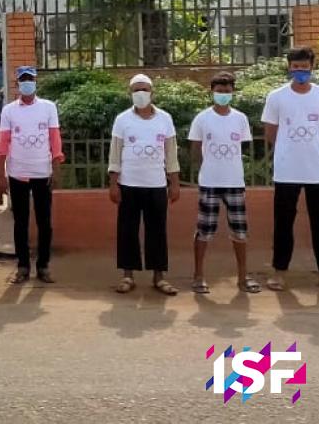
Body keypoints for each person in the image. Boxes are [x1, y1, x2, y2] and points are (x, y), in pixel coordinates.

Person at [108, 74, 181, 296]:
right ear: (130, 93)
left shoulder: (165, 119)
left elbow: (171, 153)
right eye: (136, 90)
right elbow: (115, 153)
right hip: (129, 184)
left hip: (156, 184)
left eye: (144, 89)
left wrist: (174, 183)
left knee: (157, 231)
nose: (141, 94)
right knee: (127, 230)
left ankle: (159, 276)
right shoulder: (122, 119)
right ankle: (127, 276)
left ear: (152, 92)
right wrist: (114, 183)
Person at [260, 46, 319, 292]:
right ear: (289, 67)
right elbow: (270, 133)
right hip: (287, 171)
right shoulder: (276, 97)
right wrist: (290, 149)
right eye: (295, 66)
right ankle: (279, 273)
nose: (300, 71)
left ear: (312, 66)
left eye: (304, 66)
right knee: (283, 223)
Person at [189, 72, 260, 295]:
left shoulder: (240, 118)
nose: (223, 95)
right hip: (210, 182)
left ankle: (243, 276)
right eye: (219, 91)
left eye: (227, 91)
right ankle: (199, 276)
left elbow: (243, 148)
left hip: (234, 182)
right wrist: (206, 169)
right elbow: (195, 151)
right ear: (212, 92)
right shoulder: (202, 118)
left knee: (240, 230)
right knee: (204, 230)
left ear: (233, 92)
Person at [0, 67, 64, 285]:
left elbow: (54, 139)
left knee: (45, 223)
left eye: (30, 80)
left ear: (36, 82)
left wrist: (56, 166)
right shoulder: (9, 111)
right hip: (18, 174)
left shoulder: (48, 107)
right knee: (20, 223)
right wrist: (0, 175)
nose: (27, 83)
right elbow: (2, 144)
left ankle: (43, 266)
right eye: (23, 80)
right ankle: (23, 266)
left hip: (42, 172)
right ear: (17, 85)